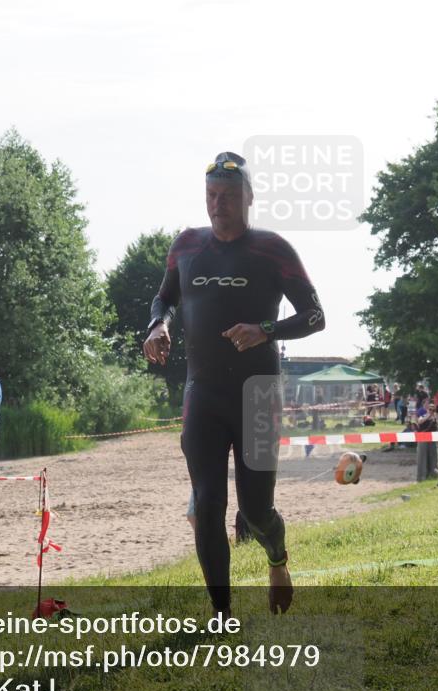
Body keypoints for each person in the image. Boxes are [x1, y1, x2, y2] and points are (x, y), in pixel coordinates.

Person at [143, 152, 324, 616]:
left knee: (256, 509)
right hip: (202, 392)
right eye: (211, 196)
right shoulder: (186, 245)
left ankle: (278, 559)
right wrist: (158, 326)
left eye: (227, 196)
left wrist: (266, 329)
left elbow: (315, 315)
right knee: (206, 505)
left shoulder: (271, 248)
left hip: (258, 395)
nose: (217, 204)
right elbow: (163, 298)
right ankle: (222, 617)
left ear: (248, 198)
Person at [415, 400, 438, 482]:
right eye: (430, 409)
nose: (432, 411)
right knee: (422, 458)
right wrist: (428, 416)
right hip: (423, 440)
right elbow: (420, 421)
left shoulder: (435, 418)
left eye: (433, 410)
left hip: (432, 440)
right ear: (427, 409)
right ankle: (421, 477)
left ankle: (433, 475)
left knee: (433, 458)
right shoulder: (423, 415)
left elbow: (437, 428)